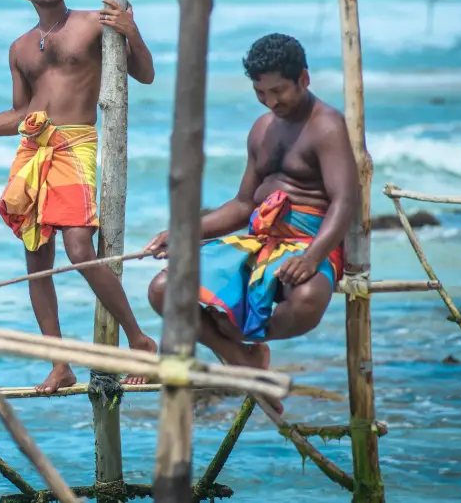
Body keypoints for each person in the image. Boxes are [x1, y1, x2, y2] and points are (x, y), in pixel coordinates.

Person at [0, 0, 158, 393]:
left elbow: (146, 74)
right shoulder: (20, 48)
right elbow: (22, 113)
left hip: (75, 144)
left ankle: (140, 340)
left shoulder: (95, 22)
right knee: (36, 261)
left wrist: (131, 32)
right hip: (34, 148)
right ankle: (60, 363)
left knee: (80, 247)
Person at [144, 33, 357, 409]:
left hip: (311, 242)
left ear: (304, 79)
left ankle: (247, 350)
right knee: (164, 290)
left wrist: (311, 258)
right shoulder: (261, 128)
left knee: (307, 300)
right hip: (260, 242)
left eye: (279, 91)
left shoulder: (326, 125)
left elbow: (345, 200)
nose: (271, 102)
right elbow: (243, 204)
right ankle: (243, 359)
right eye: (261, 93)